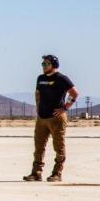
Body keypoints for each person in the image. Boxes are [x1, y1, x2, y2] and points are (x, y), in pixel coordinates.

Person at [24, 54, 79, 182]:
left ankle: (57, 173)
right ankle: (36, 173)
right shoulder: (40, 78)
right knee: (39, 147)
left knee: (59, 146)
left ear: (54, 65)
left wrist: (65, 108)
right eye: (42, 64)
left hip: (56, 118)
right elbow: (37, 93)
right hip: (42, 118)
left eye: (46, 64)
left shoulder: (62, 78)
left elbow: (75, 93)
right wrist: (38, 107)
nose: (44, 66)